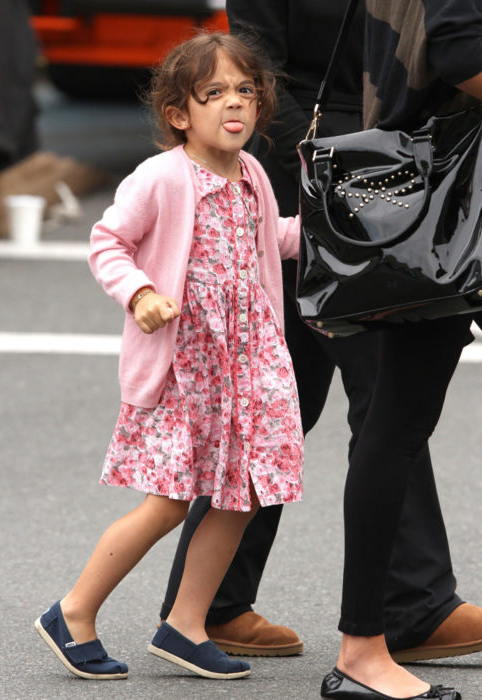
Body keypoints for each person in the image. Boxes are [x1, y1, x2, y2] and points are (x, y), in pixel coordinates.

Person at [159, 0, 482, 668]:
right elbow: (254, 67)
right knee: (384, 388)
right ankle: (412, 605)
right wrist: (348, 154)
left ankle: (208, 603)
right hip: (333, 177)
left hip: (360, 170)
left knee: (285, 393)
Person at [33, 32, 304, 682]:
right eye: (213, 93)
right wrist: (141, 293)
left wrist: (337, 221)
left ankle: (185, 624)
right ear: (180, 113)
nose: (233, 104)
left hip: (249, 364)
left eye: (245, 91)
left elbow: (275, 242)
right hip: (188, 368)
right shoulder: (161, 176)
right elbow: (107, 242)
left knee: (243, 495)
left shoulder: (253, 175)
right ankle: (72, 612)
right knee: (167, 503)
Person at [320, 1, 482, 698]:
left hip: (436, 202)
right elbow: (457, 49)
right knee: (393, 424)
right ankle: (359, 651)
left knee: (393, 424)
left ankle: (363, 646)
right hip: (447, 200)